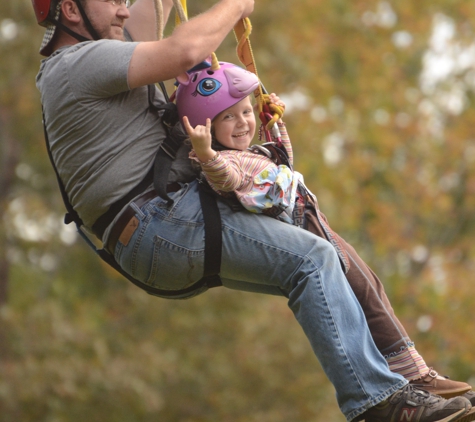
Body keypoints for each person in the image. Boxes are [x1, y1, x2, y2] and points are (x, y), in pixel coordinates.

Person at [32, 0, 473, 420]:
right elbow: (184, 49)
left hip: (162, 222)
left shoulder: (103, 51)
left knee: (316, 236)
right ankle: (382, 404)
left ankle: (406, 373)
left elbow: (153, 13)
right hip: (159, 223)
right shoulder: (76, 65)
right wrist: (236, 6)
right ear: (71, 10)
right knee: (311, 261)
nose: (123, 9)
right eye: (111, 1)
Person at [178, 60, 475, 402]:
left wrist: (272, 122)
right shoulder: (225, 161)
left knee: (370, 286)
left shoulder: (253, 154)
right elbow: (224, 181)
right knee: (363, 290)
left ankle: (410, 369)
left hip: (316, 224)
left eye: (245, 112)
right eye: (228, 117)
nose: (242, 123)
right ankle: (412, 375)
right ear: (206, 126)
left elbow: (283, 159)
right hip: (303, 229)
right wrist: (205, 152)